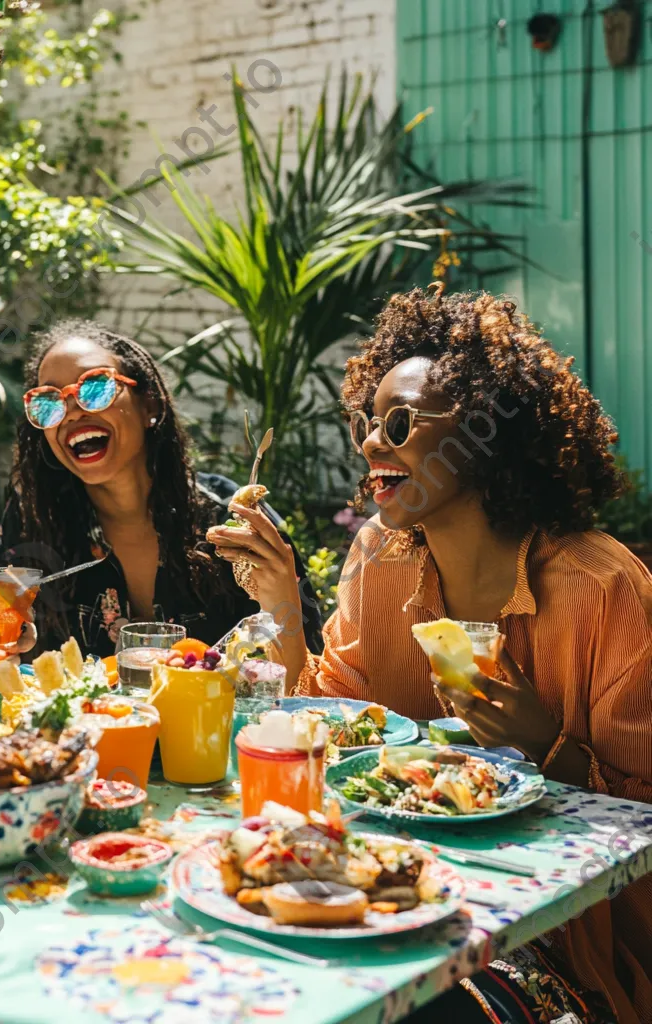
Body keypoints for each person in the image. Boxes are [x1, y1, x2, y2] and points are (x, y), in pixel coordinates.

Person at [299, 284, 652, 1024]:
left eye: (399, 422)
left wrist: (545, 746)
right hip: (394, 895)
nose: (371, 443)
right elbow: (329, 725)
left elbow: (644, 833)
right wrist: (275, 605)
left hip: (553, 944)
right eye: (367, 421)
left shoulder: (604, 589)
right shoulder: (377, 559)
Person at [0, 319, 321, 686]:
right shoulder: (34, 524)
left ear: (149, 405)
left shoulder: (232, 524)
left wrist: (281, 596)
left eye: (96, 387)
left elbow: (303, 686)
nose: (71, 412)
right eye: (48, 402)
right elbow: (12, 671)